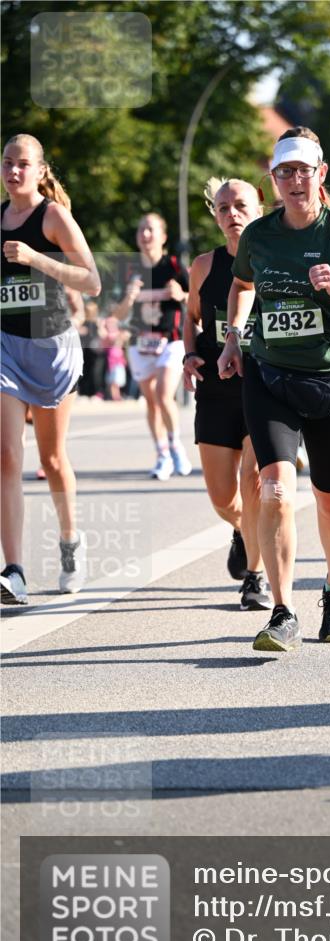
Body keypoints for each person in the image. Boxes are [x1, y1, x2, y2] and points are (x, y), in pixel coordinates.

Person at [218, 126, 330, 652]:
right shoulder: (259, 236)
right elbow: (242, 284)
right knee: (273, 488)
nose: (295, 181)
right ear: (273, 181)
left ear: (320, 175)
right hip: (270, 375)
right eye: (284, 172)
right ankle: (282, 610)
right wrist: (232, 340)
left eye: (303, 171)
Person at [1, 133, 100, 604]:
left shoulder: (53, 217)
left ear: (40, 171)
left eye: (22, 164)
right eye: (7, 163)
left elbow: (92, 280)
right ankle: (14, 571)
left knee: (52, 460)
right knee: (6, 456)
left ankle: (69, 542)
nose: (13, 171)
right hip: (5, 348)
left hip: (51, 346)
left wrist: (38, 257)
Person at [182, 176, 270, 610]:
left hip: (264, 386)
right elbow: (192, 316)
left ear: (259, 210)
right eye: (222, 208)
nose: (231, 214)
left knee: (254, 484)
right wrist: (187, 355)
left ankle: (255, 577)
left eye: (240, 206)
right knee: (223, 498)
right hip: (216, 390)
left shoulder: (275, 261)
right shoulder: (204, 265)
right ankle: (242, 529)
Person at [112, 212, 191, 481]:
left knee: (162, 394)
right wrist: (130, 297)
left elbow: (196, 299)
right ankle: (162, 455)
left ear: (163, 237)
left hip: (170, 340)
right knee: (151, 402)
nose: (145, 235)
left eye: (151, 230)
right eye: (141, 230)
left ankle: (176, 446)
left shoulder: (174, 265)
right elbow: (119, 314)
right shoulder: (131, 270)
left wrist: (181, 294)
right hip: (140, 344)